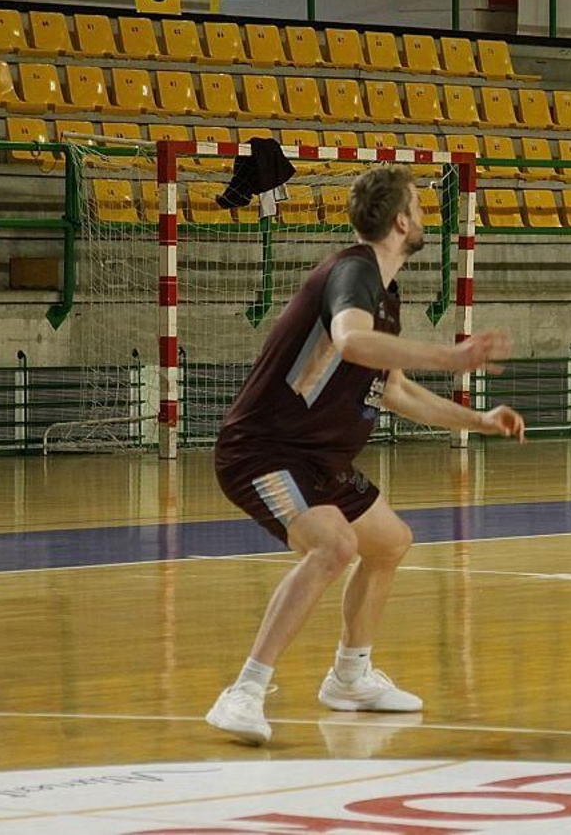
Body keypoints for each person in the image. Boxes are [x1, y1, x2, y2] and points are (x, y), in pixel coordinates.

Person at [206, 164, 525, 745]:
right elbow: (351, 342)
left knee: (390, 542)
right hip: (263, 452)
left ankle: (350, 677)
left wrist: (477, 419)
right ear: (401, 222)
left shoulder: (384, 294)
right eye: (419, 207)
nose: (424, 217)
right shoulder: (353, 272)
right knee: (334, 546)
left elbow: (394, 390)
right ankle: (244, 691)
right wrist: (451, 357)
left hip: (319, 460)